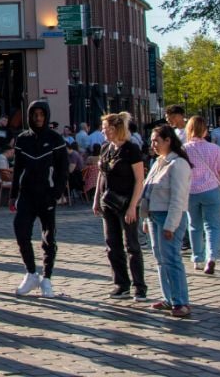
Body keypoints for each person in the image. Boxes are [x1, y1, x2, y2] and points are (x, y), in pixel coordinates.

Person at [10, 101, 68, 298]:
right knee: (21, 231)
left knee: (48, 237)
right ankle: (31, 272)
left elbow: (62, 169)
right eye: (34, 114)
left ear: (47, 115)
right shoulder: (22, 139)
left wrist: (57, 192)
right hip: (27, 194)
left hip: (47, 194)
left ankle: (47, 278)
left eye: (41, 114)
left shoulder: (55, 139)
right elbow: (17, 168)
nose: (38, 118)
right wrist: (13, 195)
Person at [94, 112, 148, 301]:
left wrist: (134, 205)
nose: (104, 133)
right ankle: (121, 284)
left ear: (117, 129)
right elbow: (101, 174)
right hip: (108, 203)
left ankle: (139, 286)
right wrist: (96, 199)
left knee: (131, 245)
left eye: (107, 129)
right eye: (103, 129)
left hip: (126, 203)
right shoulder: (106, 149)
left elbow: (139, 180)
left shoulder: (131, 149)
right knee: (112, 244)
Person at [143, 124, 193, 318]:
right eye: (152, 140)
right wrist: (146, 219)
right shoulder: (158, 162)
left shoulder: (178, 163)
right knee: (160, 259)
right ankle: (169, 297)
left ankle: (181, 301)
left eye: (156, 140)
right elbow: (148, 192)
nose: (153, 144)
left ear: (168, 141)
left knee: (171, 258)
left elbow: (178, 197)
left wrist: (171, 224)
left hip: (169, 216)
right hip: (155, 215)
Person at [183, 116, 220, 274]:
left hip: (191, 191)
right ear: (205, 130)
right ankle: (211, 258)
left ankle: (198, 259)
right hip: (211, 190)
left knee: (194, 226)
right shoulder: (214, 149)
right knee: (212, 226)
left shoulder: (184, 149)